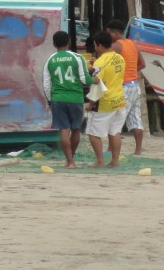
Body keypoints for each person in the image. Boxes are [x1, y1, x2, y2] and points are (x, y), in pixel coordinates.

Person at [43, 30, 94, 169]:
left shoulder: (50, 60)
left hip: (58, 98)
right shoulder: (77, 58)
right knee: (75, 129)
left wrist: (50, 100)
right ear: (69, 42)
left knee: (64, 130)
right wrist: (94, 79)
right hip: (75, 98)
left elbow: (46, 85)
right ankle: (71, 158)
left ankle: (70, 161)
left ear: (54, 44)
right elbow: (85, 79)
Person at [86, 31, 126, 168]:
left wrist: (91, 103)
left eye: (95, 45)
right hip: (119, 100)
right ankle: (114, 161)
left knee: (93, 133)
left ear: (100, 45)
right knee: (114, 132)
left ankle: (100, 161)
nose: (95, 48)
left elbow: (97, 83)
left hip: (105, 102)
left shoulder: (101, 61)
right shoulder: (119, 57)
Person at [107, 19, 146, 155]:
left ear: (115, 33)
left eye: (109, 33)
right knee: (135, 119)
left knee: (115, 119)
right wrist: (131, 70)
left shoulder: (116, 46)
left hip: (123, 86)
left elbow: (108, 64)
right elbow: (142, 64)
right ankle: (138, 150)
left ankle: (111, 149)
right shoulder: (132, 44)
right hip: (135, 85)